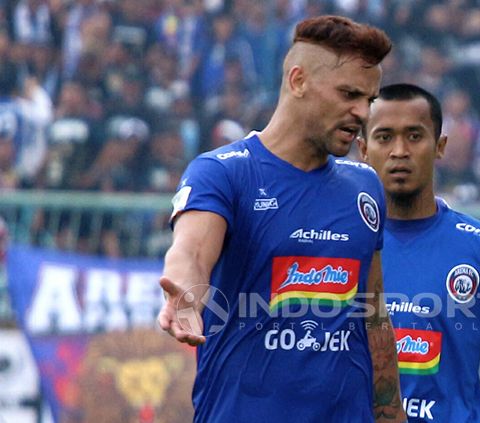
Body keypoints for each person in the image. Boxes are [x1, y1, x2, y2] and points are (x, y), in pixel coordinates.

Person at [158, 16, 405, 423]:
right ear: (298, 80)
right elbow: (191, 253)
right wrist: (185, 296)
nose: (362, 112)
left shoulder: (366, 187)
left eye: (369, 99)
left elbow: (374, 315)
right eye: (349, 94)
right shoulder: (224, 172)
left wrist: (391, 413)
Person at [359, 83, 480, 422]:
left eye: (415, 136)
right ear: (363, 148)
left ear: (440, 146)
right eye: (384, 137)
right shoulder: (342, 243)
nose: (400, 151)